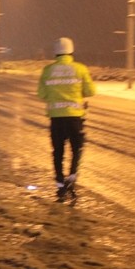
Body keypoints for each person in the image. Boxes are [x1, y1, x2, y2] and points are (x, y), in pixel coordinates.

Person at [36, 37, 96, 201]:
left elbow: (41, 94)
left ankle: (60, 183)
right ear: (71, 51)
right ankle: (72, 175)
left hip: (56, 118)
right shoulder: (80, 68)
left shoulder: (48, 70)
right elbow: (90, 91)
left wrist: (55, 95)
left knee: (58, 151)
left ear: (56, 52)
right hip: (75, 117)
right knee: (77, 148)